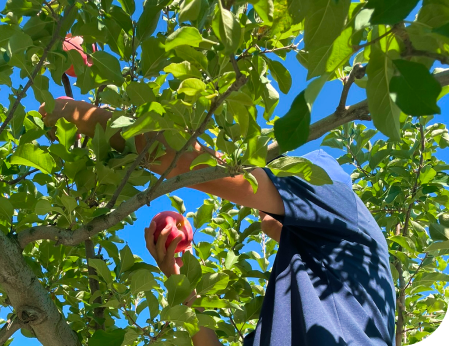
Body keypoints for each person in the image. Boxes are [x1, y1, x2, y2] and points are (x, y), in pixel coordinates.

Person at [39, 97, 396, 346]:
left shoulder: (330, 187)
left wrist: (83, 115)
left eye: (277, 191)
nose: (260, 211)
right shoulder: (314, 283)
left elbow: (193, 165)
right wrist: (176, 277)